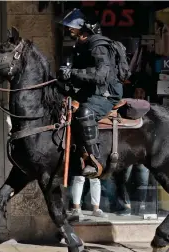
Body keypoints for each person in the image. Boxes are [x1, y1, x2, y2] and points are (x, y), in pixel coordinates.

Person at [57, 8, 123, 177]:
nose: (69, 29)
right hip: (88, 92)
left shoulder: (99, 46)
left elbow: (101, 76)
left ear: (85, 26)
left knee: (86, 112)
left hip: (105, 94)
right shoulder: (79, 45)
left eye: (73, 25)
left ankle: (94, 160)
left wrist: (72, 73)